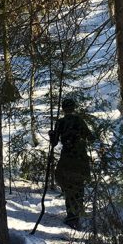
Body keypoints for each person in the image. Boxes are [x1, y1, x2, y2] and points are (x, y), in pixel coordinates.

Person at [50, 97, 92, 230]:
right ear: (74, 108)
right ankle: (77, 215)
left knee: (68, 187)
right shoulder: (80, 120)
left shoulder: (61, 122)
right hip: (81, 158)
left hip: (67, 158)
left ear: (63, 109)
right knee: (79, 186)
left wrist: (52, 134)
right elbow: (91, 137)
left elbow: (54, 142)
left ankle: (71, 216)